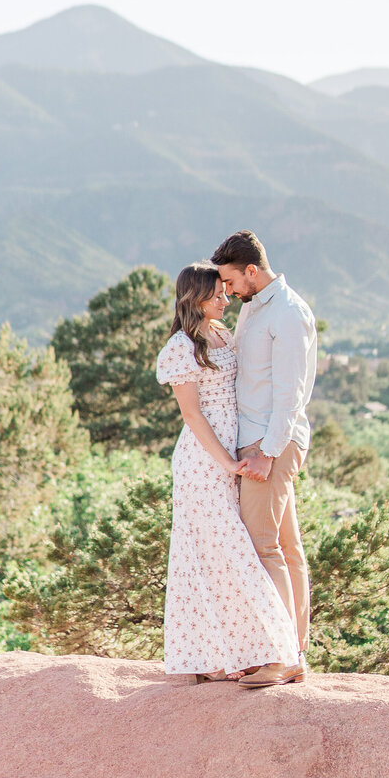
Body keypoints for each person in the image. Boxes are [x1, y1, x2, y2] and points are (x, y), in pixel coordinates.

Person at [156, 262, 302, 685]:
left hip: (234, 451)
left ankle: (237, 652)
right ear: (194, 298)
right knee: (216, 555)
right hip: (203, 462)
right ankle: (241, 653)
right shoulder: (181, 348)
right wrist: (225, 463)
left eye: (225, 291)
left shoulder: (222, 334)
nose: (225, 299)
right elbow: (191, 414)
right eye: (216, 294)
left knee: (227, 556)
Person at [211, 229, 316, 688]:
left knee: (262, 547)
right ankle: (293, 648)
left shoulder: (288, 313)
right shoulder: (256, 308)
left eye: (231, 282)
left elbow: (290, 393)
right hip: (258, 440)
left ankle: (282, 654)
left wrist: (268, 454)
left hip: (269, 443)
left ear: (251, 271)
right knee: (288, 547)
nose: (227, 291)